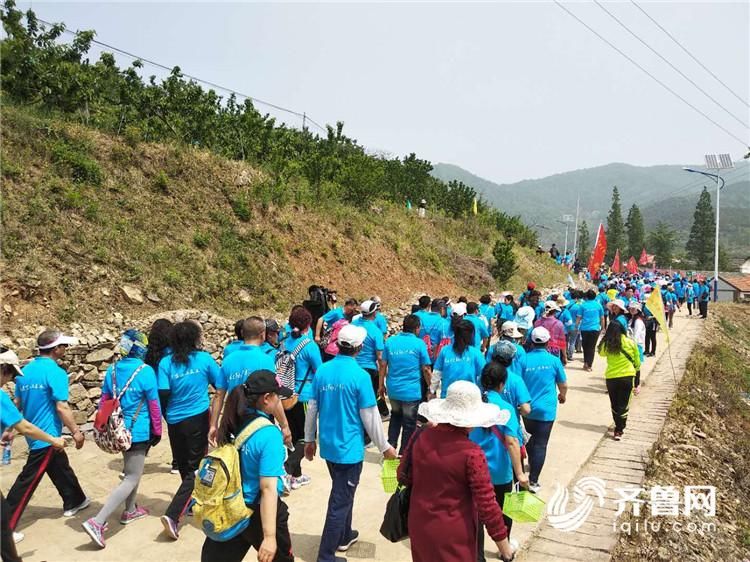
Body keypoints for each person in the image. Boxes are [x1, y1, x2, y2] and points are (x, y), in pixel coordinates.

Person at [303, 324, 397, 562]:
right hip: (349, 450)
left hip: (329, 446)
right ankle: (325, 555)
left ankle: (344, 535)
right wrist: (385, 446)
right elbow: (370, 416)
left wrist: (309, 439)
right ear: (359, 347)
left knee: (343, 494)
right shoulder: (361, 376)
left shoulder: (323, 371)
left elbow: (312, 409)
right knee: (339, 502)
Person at [398, 381, 515, 562]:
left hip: (420, 522)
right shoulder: (472, 453)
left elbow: (403, 474)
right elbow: (488, 505)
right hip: (453, 533)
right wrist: (504, 546)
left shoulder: (421, 435)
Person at [200, 371, 295, 562]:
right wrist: (269, 537)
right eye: (278, 396)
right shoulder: (269, 435)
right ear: (267, 398)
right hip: (258, 511)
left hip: (231, 506)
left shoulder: (233, 421)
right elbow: (268, 488)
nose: (279, 402)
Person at [82, 329, 162, 548]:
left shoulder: (112, 370)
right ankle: (98, 522)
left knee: (131, 472)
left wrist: (102, 425)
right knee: (132, 477)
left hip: (118, 430)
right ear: (140, 348)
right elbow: (154, 405)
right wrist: (158, 431)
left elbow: (104, 401)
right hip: (138, 432)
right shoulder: (146, 372)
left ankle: (131, 510)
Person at [6, 330, 88, 533]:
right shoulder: (56, 373)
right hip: (46, 436)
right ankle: (5, 526)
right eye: (64, 346)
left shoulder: (24, 372)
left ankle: (76, 500)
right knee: (27, 481)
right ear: (56, 349)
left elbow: (17, 403)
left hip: (33, 433)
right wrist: (76, 432)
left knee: (60, 466)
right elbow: (62, 407)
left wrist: (9, 428)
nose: (66, 349)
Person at [157, 321, 224, 540]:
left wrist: (168, 417)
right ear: (196, 338)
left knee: (184, 464)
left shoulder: (166, 363)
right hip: (197, 419)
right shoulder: (204, 359)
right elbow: (220, 385)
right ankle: (173, 514)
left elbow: (163, 395)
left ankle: (189, 501)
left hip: (175, 421)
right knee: (197, 467)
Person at [1, 348, 66, 560]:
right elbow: (26, 427)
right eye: (10, 374)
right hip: (43, 440)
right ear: (3, 369)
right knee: (2, 520)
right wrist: (53, 439)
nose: (10, 381)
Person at [471, 363, 529, 560]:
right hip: (500, 471)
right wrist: (520, 474)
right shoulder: (506, 409)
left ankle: (476, 553)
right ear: (502, 385)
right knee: (504, 511)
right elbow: (512, 442)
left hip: (474, 470)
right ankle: (505, 549)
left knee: (476, 514)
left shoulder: (472, 407)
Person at [521, 327, 568, 493]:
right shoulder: (554, 361)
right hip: (546, 410)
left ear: (531, 341)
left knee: (529, 440)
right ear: (548, 342)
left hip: (527, 409)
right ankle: (533, 480)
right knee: (541, 444)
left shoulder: (523, 360)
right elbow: (563, 384)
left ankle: (532, 465)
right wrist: (562, 396)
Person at [378, 314, 431, 453]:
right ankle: (404, 453)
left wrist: (380, 385)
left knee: (395, 417)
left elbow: (383, 365)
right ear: (417, 328)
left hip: (393, 389)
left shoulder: (390, 341)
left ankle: (391, 448)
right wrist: (431, 387)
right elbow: (426, 368)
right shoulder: (419, 344)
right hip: (411, 391)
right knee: (409, 423)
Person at [281, 307, 321, 490]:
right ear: (308, 325)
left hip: (286, 395)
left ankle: (296, 476)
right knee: (307, 437)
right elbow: (319, 372)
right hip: (304, 396)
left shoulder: (284, 343)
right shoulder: (309, 345)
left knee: (294, 437)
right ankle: (287, 469)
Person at [144, 319, 177, 474]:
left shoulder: (148, 352)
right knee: (173, 426)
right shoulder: (171, 352)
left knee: (150, 423)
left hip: (150, 393)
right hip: (167, 391)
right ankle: (177, 463)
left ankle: (137, 456)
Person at [598, 322, 641, 441]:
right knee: (624, 403)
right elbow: (637, 363)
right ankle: (619, 429)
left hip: (611, 377)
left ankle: (617, 424)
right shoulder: (630, 342)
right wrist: (637, 381)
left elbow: (600, 353)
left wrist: (605, 338)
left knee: (615, 403)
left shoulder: (608, 343)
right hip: (627, 376)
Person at [429, 320, 485, 399]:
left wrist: (432, 391)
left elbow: (437, 373)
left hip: (448, 398)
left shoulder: (445, 351)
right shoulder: (476, 353)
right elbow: (483, 376)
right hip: (469, 399)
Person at [352, 300, 389, 419]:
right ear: (374, 313)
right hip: (369, 368)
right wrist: (384, 375)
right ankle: (381, 414)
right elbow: (379, 357)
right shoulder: (375, 331)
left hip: (353, 365)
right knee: (373, 394)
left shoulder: (353, 325)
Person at [576, 289, 605, 372]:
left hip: (584, 329)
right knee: (591, 347)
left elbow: (579, 317)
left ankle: (587, 364)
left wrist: (576, 326)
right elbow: (602, 318)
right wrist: (603, 327)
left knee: (585, 346)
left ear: (586, 297)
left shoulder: (583, 305)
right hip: (595, 329)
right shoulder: (598, 305)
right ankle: (587, 364)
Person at [628, 302, 646, 395]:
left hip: (636, 345)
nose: (632, 310)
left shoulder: (638, 321)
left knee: (636, 366)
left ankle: (636, 385)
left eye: (634, 309)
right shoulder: (632, 319)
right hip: (632, 344)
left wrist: (632, 346)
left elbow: (636, 335)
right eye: (631, 308)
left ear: (638, 310)